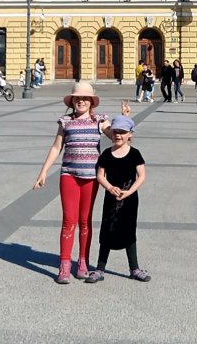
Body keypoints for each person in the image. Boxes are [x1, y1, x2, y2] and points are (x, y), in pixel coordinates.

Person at [33, 81, 131, 285]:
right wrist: (43, 172)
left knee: (85, 221)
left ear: (91, 102)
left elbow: (115, 135)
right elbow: (56, 148)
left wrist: (124, 119)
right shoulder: (65, 122)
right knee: (69, 220)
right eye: (77, 98)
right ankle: (64, 264)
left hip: (91, 178)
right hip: (69, 175)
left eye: (85, 98)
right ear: (72, 101)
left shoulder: (99, 120)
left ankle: (83, 262)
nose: (81, 101)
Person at [85, 114, 150, 284]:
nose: (118, 135)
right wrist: (109, 187)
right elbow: (100, 175)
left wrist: (130, 192)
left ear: (130, 134)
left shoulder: (135, 154)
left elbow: (141, 176)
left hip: (129, 200)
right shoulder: (107, 154)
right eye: (115, 132)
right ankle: (100, 269)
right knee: (107, 232)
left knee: (129, 232)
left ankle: (134, 268)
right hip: (111, 200)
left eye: (122, 132)